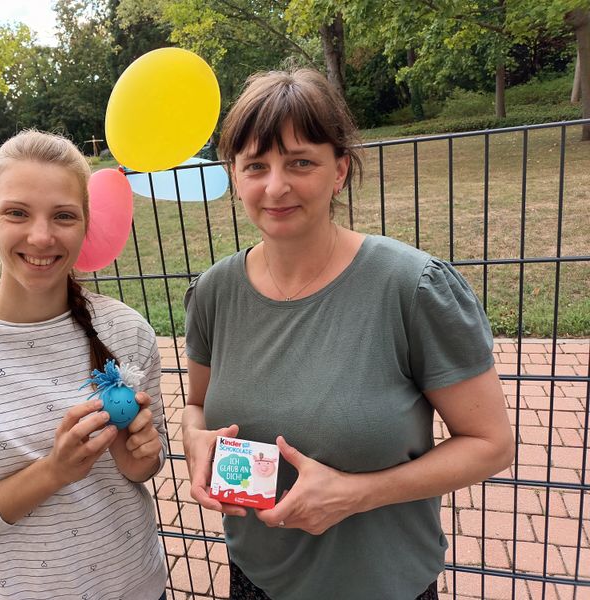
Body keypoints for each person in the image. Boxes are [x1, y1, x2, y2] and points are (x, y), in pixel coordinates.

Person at [182, 69, 515, 600]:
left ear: (339, 171)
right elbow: (196, 405)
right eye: (256, 166)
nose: (276, 186)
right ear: (235, 176)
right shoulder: (216, 293)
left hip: (380, 585)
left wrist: (357, 494)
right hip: (257, 577)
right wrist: (193, 439)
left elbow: (492, 444)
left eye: (300, 162)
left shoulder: (411, 288)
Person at [0, 130, 168, 600]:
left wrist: (140, 459)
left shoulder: (127, 331)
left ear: (85, 225)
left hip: (138, 587)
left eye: (63, 216)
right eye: (17, 213)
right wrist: (53, 472)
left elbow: (142, 470)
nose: (42, 236)